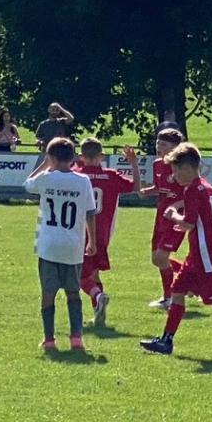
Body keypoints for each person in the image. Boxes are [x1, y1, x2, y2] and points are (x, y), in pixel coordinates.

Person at [139, 142, 212, 361]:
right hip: (196, 255)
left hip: (205, 256)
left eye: (176, 171)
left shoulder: (193, 189)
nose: (174, 176)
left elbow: (188, 223)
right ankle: (166, 340)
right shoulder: (208, 188)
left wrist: (173, 215)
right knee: (177, 292)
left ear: (187, 168)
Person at [26, 136, 94, 353]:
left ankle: (49, 338)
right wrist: (92, 240)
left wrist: (45, 165)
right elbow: (90, 212)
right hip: (73, 246)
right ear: (72, 157)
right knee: (73, 292)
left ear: (51, 157)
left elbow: (27, 185)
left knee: (48, 292)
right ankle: (76, 337)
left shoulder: (46, 178)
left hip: (48, 245)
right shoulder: (83, 181)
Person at [75, 137, 142, 327]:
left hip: (80, 233)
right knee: (94, 274)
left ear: (80, 156)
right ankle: (98, 313)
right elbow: (136, 187)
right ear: (102, 156)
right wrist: (133, 163)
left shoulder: (76, 175)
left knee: (80, 277)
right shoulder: (111, 176)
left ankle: (98, 296)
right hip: (103, 234)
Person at [137, 127, 186, 308]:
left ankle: (168, 297)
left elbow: (190, 194)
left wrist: (177, 206)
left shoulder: (181, 167)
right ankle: (190, 278)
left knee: (161, 257)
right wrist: (147, 191)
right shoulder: (157, 164)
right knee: (156, 259)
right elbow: (159, 188)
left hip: (175, 219)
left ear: (175, 147)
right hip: (160, 216)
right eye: (158, 143)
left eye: (164, 144)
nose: (158, 146)